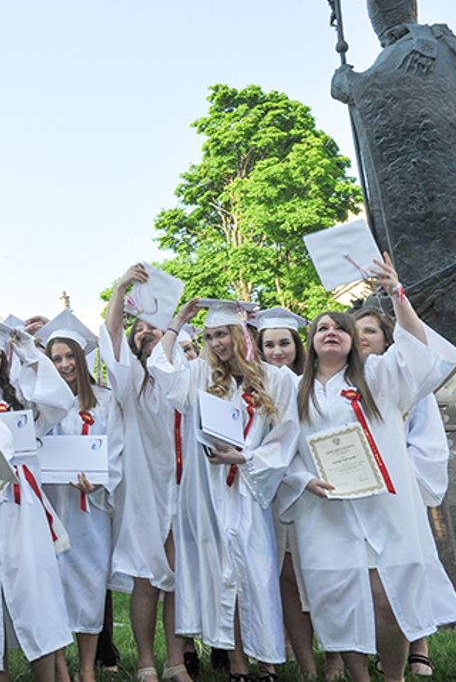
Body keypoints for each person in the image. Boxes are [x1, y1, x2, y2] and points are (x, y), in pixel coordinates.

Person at [276, 255, 456, 682]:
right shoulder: (294, 393)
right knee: (338, 604)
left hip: (384, 507)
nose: (331, 332)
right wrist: (304, 480)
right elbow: (278, 453)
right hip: (326, 513)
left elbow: (417, 353)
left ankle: (394, 676)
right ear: (311, 341)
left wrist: (396, 293)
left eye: (340, 327)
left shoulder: (379, 377)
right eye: (322, 327)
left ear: (352, 341)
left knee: (388, 599)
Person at [153, 298, 300, 681]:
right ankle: (237, 665)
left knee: (258, 574)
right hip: (208, 493)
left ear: (242, 334)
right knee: (222, 577)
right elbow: (161, 369)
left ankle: (266, 664)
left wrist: (246, 457)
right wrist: (179, 320)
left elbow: (285, 436)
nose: (217, 343)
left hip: (250, 489)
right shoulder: (200, 375)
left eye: (223, 334)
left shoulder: (276, 378)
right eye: (210, 336)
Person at [0, 320, 76, 682]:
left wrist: (29, 351)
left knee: (37, 595)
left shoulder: (19, 399)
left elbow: (60, 401)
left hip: (22, 509)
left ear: (3, 361)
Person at [100, 264, 193, 682]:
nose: (144, 331)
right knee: (146, 577)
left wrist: (172, 332)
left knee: (178, 573)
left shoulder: (184, 376)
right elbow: (113, 339)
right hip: (144, 487)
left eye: (152, 327)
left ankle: (176, 661)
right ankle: (146, 662)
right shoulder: (130, 380)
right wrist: (121, 290)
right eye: (140, 328)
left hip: (184, 484)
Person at [353, 306, 451, 678]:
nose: (363, 337)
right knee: (372, 577)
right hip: (359, 493)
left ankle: (419, 646)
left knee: (411, 566)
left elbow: (428, 442)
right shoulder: (344, 382)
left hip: (400, 490)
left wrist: (402, 477)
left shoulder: (410, 382)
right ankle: (386, 647)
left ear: (387, 338)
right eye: (356, 331)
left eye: (371, 331)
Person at [251, 307, 340, 680]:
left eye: (283, 343)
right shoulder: (257, 390)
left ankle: (335, 660)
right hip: (276, 494)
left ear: (296, 345)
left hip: (319, 494)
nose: (276, 352)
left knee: (325, 579)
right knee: (286, 581)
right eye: (268, 344)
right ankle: (306, 665)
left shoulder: (314, 385)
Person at [36, 311, 121, 682]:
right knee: (52, 584)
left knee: (90, 581)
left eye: (70, 356)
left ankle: (87, 668)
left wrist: (101, 481)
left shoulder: (105, 400)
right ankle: (58, 668)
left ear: (82, 358)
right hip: (54, 506)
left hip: (91, 509)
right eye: (56, 358)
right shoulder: (44, 402)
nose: (65, 364)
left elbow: (117, 450)